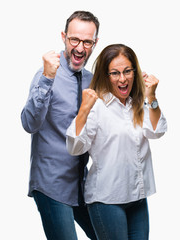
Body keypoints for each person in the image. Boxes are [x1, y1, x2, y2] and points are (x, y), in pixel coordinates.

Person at [66, 44, 167, 240]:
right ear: (106, 76)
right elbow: (75, 147)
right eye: (115, 73)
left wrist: (152, 97)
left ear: (135, 72)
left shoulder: (137, 103)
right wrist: (83, 111)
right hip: (107, 200)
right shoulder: (97, 106)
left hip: (137, 197)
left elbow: (157, 131)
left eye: (127, 71)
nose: (122, 79)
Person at [21, 11, 99, 240]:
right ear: (64, 37)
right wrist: (47, 77)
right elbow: (29, 123)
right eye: (74, 39)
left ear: (95, 43)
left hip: (83, 185)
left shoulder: (92, 80)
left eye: (87, 42)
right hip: (51, 184)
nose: (80, 47)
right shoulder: (46, 74)